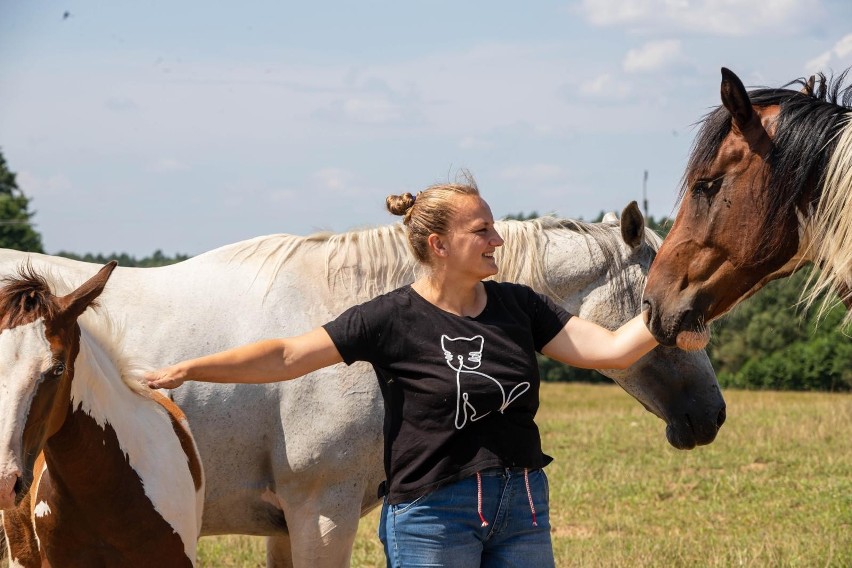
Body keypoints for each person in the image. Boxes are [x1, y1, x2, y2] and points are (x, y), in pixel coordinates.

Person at [145, 174, 658, 567]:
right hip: (434, 516)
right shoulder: (390, 317)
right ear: (439, 245)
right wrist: (192, 368)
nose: (498, 240)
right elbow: (286, 356)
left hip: (521, 506)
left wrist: (682, 312)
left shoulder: (520, 306)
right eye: (481, 230)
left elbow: (611, 350)